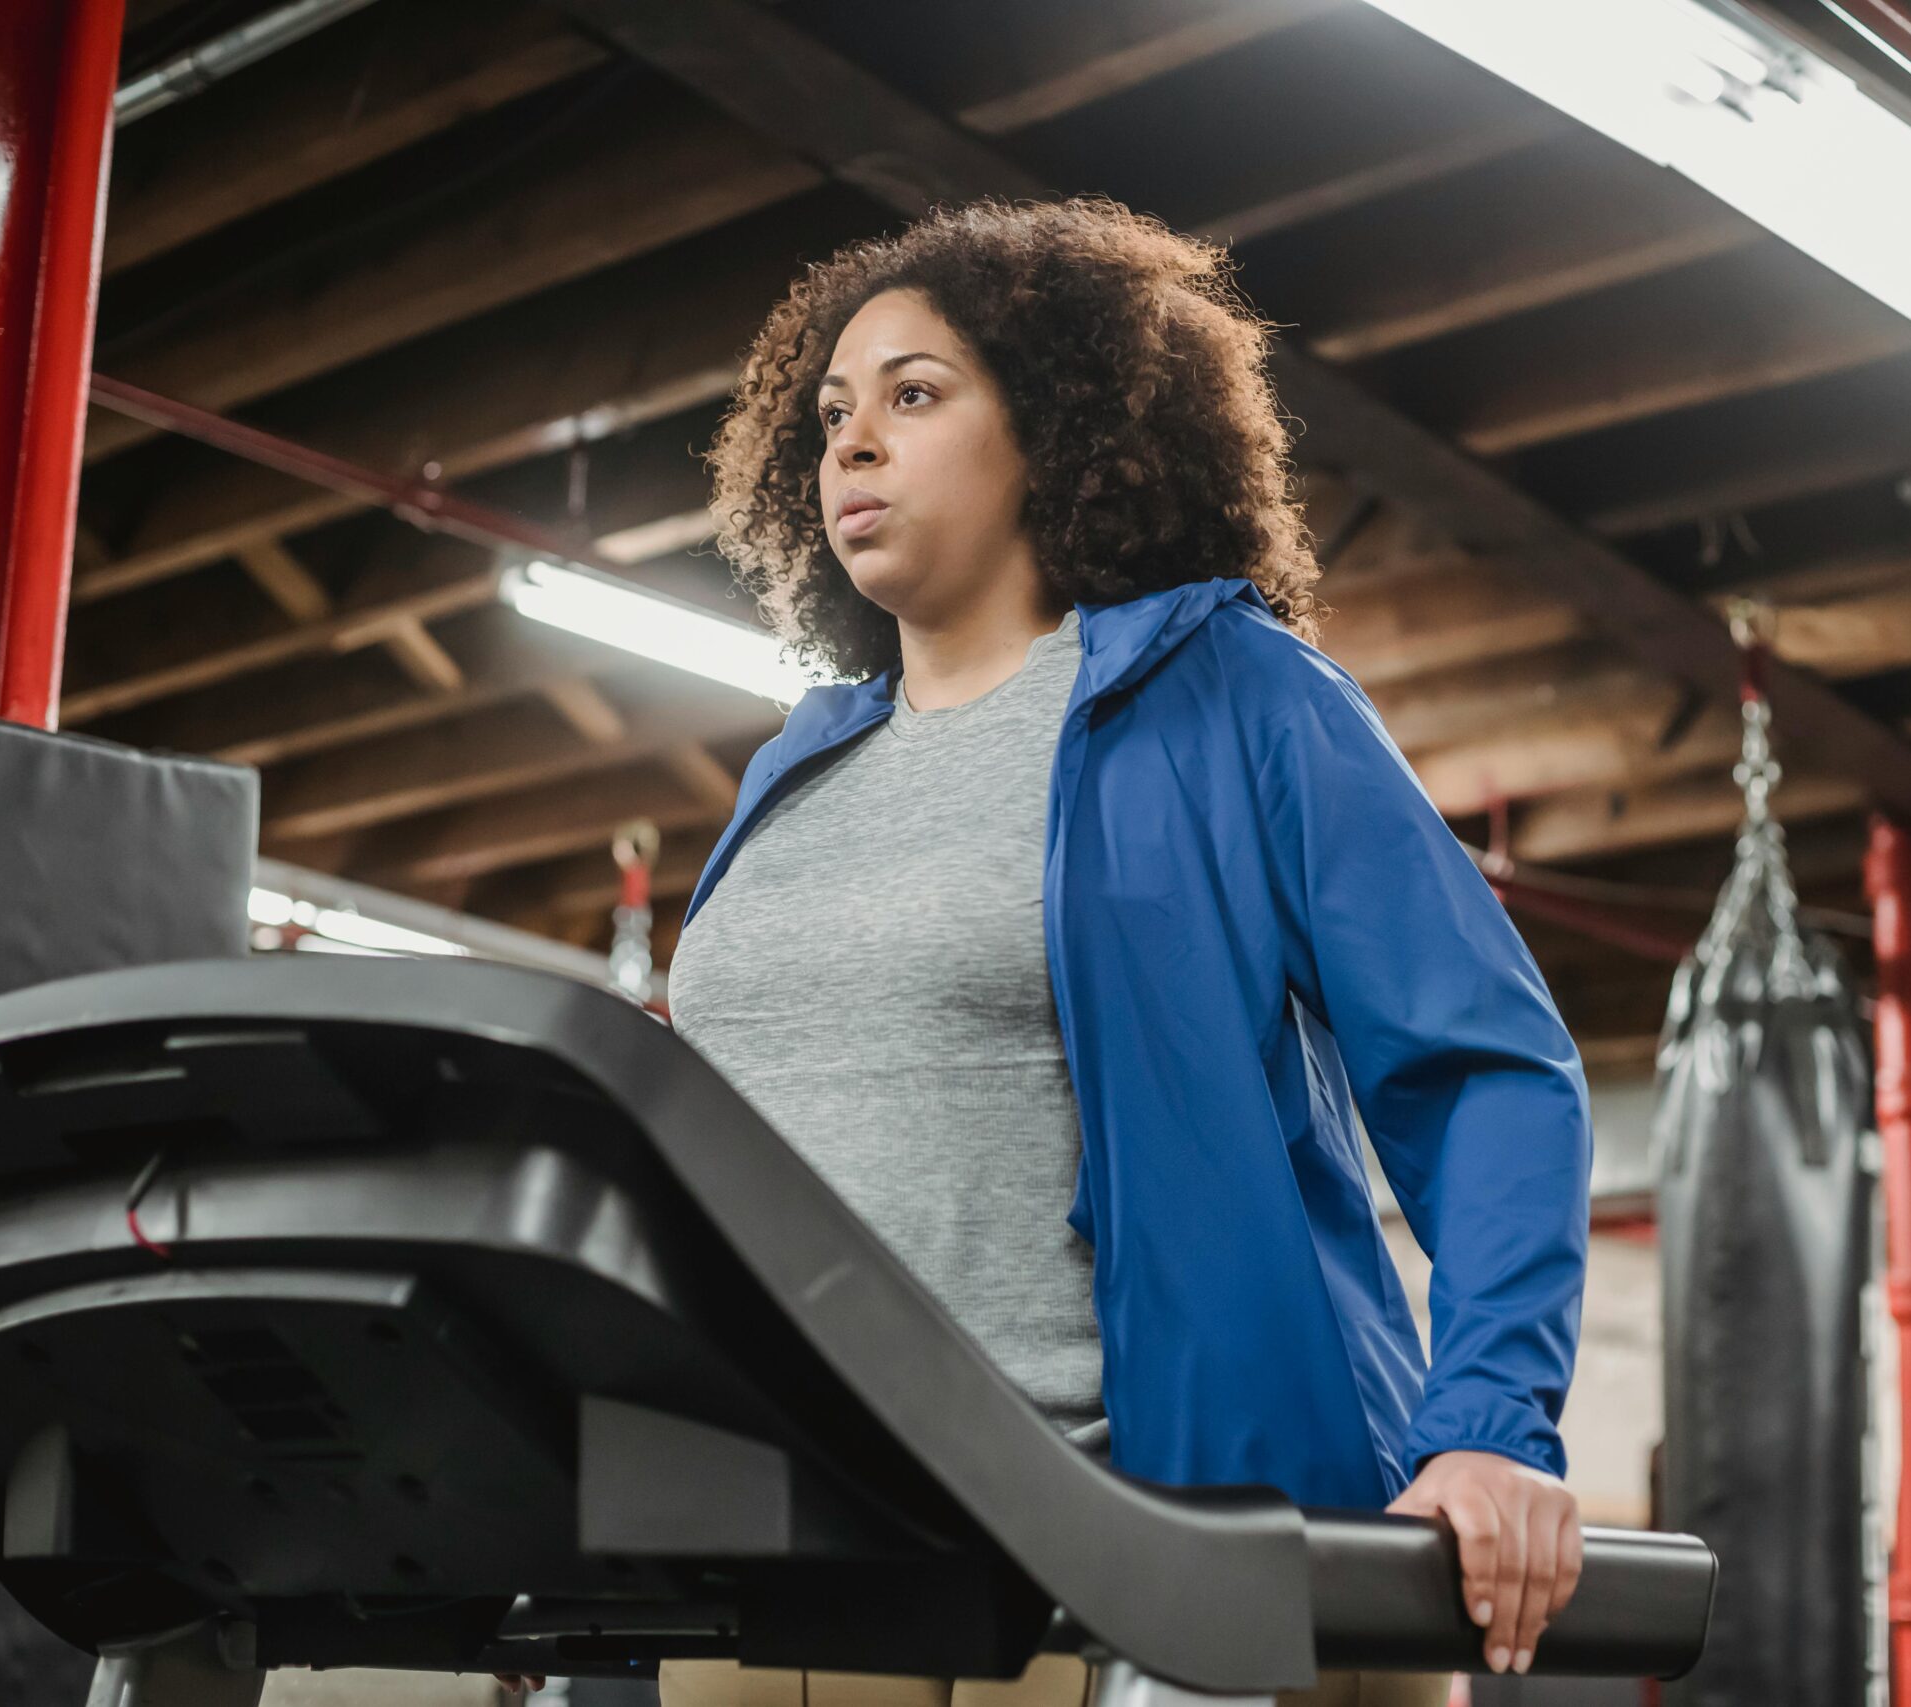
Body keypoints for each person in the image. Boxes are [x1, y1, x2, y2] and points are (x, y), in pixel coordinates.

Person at [650, 197, 1593, 1707]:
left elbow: (1484, 1072)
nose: (854, 444)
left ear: (1059, 430)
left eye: (914, 394)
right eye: (832, 412)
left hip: (1140, 1543)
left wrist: (1487, 1421)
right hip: (788, 1542)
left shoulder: (1235, 697)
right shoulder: (794, 772)